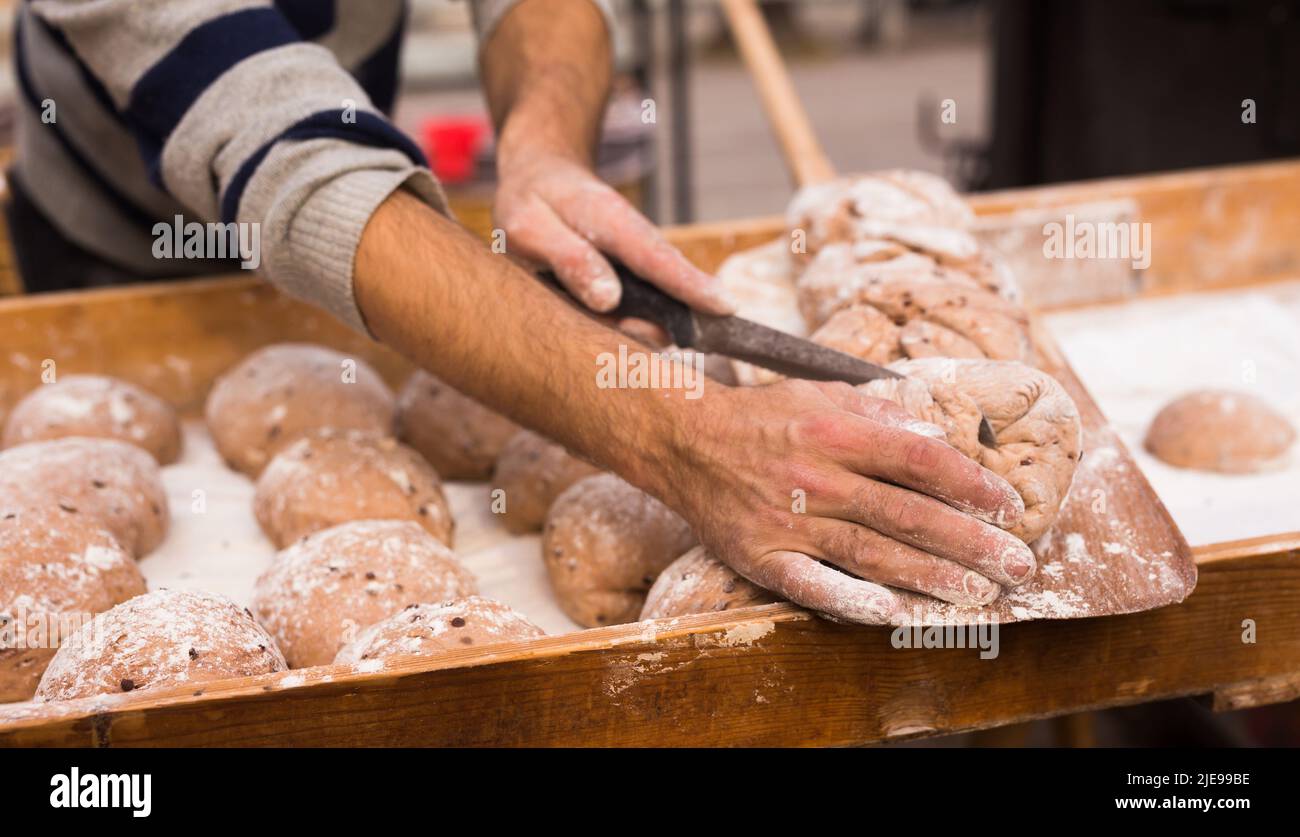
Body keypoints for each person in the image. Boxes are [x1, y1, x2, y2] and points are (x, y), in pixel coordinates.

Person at [8, 0, 1035, 622]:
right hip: (120, 250)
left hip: (358, 192)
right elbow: (298, 170)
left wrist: (544, 142)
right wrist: (678, 437)